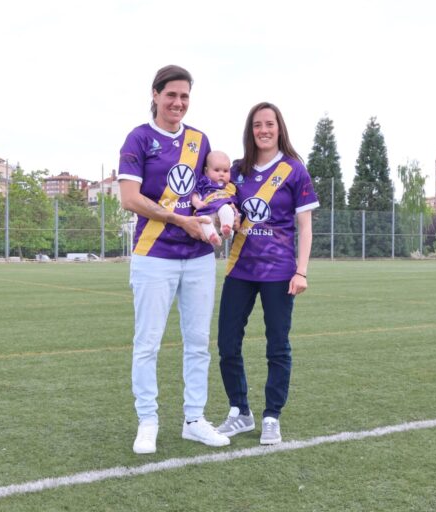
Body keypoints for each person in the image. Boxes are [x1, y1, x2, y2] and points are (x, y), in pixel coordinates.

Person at [118, 64, 230, 454]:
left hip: (199, 256)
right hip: (153, 255)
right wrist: (178, 219)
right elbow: (129, 198)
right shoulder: (138, 138)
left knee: (198, 343)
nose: (178, 103)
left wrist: (217, 216)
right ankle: (147, 421)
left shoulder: (199, 140)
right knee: (147, 343)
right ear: (155, 95)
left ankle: (194, 419)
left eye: (184, 96)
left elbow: (209, 190)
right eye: (171, 95)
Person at [215, 102, 319, 445]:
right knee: (227, 342)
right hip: (240, 269)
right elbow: (222, 204)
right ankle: (239, 412)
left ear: (279, 128)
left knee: (277, 346)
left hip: (279, 272)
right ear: (251, 130)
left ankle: (272, 416)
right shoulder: (237, 170)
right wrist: (223, 215)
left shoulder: (294, 170)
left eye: (269, 124)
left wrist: (301, 271)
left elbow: (305, 227)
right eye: (257, 124)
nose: (263, 130)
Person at [191, 150, 237, 246]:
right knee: (204, 220)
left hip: (221, 207)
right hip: (207, 210)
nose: (221, 174)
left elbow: (233, 200)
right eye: (217, 170)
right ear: (206, 171)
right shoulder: (204, 181)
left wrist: (234, 208)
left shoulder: (230, 186)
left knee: (227, 209)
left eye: (225, 171)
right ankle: (212, 236)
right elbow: (194, 193)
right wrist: (196, 202)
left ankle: (226, 227)